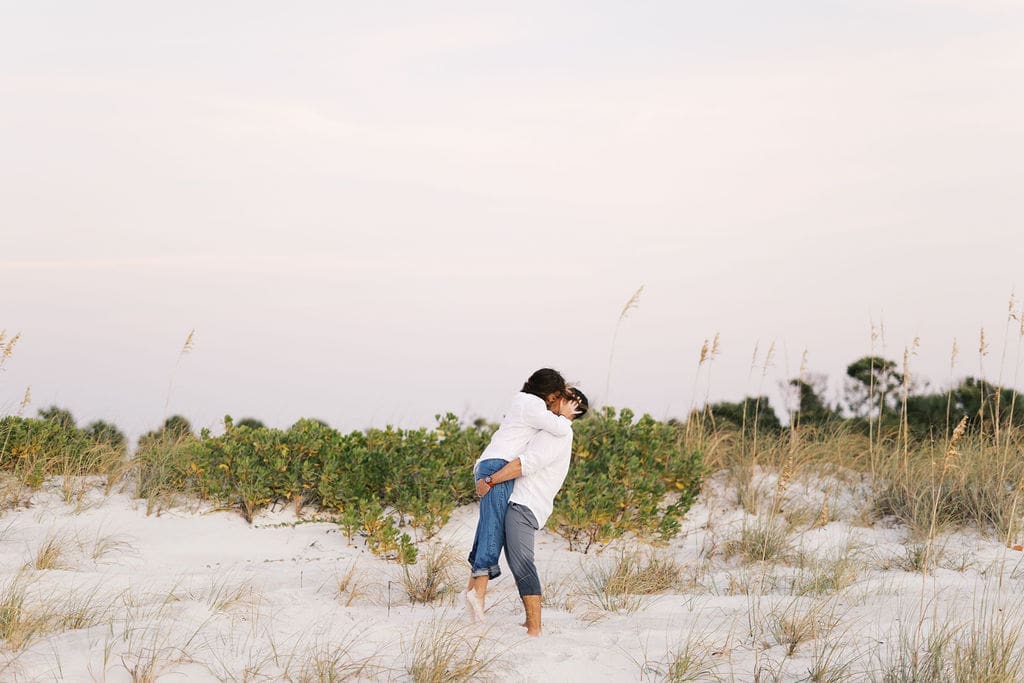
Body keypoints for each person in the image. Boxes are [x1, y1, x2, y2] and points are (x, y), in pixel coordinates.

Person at [464, 369, 579, 622]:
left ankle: (473, 590)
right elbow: (558, 428)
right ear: (550, 393)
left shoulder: (523, 402)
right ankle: (478, 594)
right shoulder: (533, 405)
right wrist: (568, 417)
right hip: (497, 467)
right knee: (492, 530)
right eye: (559, 395)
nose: (556, 401)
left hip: (490, 464)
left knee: (486, 527)